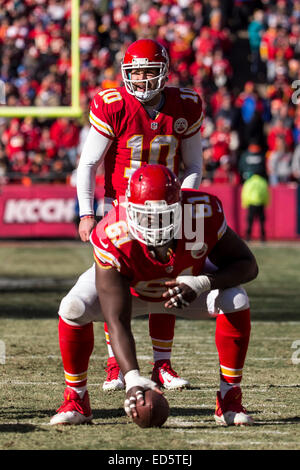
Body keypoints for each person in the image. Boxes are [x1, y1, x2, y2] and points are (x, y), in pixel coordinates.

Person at [50, 164, 258, 426]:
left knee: (236, 299)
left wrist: (202, 282)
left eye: (164, 214)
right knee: (73, 307)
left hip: (185, 289)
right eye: (144, 215)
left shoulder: (203, 212)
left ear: (179, 206)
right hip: (133, 292)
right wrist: (133, 377)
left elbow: (247, 265)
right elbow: (116, 319)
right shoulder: (111, 232)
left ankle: (229, 401)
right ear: (128, 209)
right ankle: (77, 399)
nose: (154, 224)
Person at [61, 39, 204, 396]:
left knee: (167, 277)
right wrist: (87, 213)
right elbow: (89, 164)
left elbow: (194, 165)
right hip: (121, 207)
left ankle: (162, 364)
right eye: (135, 71)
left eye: (149, 71)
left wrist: (180, 201)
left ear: (164, 72)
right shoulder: (113, 104)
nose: (141, 79)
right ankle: (115, 365)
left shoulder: (184, 104)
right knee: (116, 285)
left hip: (166, 207)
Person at [241, 172, 270, 242]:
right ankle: (263, 238)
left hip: (251, 204)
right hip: (260, 203)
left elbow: (245, 193)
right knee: (262, 222)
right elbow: (266, 193)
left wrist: (245, 203)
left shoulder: (249, 182)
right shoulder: (263, 182)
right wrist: (266, 203)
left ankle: (248, 237)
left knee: (250, 221)